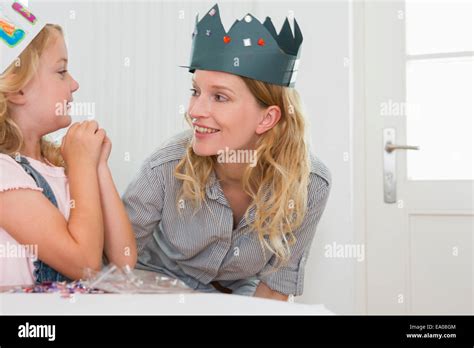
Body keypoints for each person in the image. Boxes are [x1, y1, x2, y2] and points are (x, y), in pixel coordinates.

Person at [123, 4, 331, 300]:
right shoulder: (165, 167)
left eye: (219, 97)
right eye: (195, 91)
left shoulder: (310, 184)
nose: (194, 111)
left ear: (267, 118)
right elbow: (114, 261)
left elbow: (276, 288)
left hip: (234, 299)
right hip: (155, 288)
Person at [0, 21, 137, 286]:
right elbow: (85, 264)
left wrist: (97, 166)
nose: (74, 84)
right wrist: (83, 164)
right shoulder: (5, 173)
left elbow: (125, 263)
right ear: (18, 89)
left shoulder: (61, 167)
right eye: (61, 71)